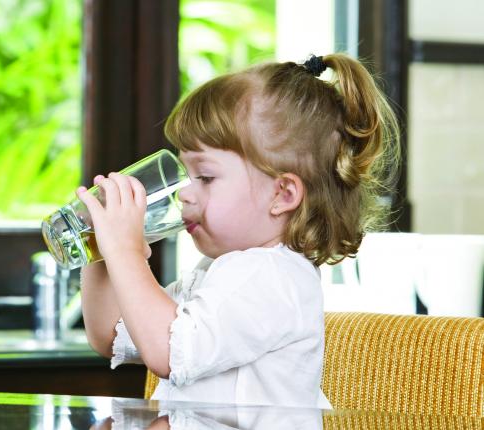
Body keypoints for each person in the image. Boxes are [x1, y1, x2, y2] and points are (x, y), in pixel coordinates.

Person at [76, 53, 400, 408]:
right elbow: (110, 333)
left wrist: (127, 252)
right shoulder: (218, 272)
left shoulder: (274, 278)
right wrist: (101, 250)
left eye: (206, 177)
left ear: (283, 194)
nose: (184, 192)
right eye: (186, 174)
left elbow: (168, 353)